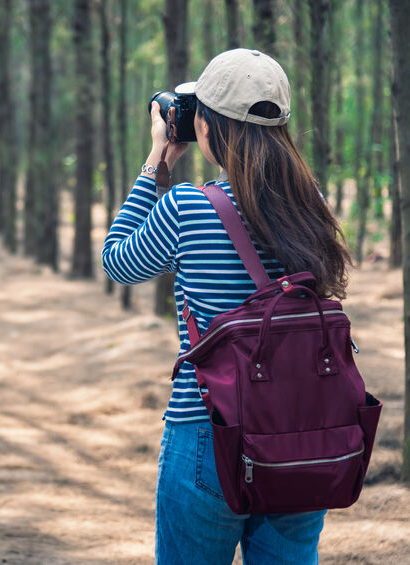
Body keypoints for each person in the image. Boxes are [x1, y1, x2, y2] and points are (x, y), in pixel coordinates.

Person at [101, 48, 352, 565]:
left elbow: (117, 262)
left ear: (210, 129)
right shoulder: (314, 203)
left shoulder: (187, 206)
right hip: (304, 434)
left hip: (208, 433)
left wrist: (157, 163)